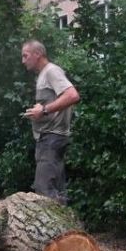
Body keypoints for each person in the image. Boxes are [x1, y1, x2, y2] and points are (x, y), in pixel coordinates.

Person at [21, 40, 80, 202]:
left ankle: (52, 227)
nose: (23, 61)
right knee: (58, 193)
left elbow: (72, 95)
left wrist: (44, 110)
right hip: (49, 139)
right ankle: (67, 226)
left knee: (44, 191)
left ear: (38, 54)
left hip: (52, 139)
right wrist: (38, 111)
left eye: (25, 56)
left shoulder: (51, 71)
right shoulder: (43, 75)